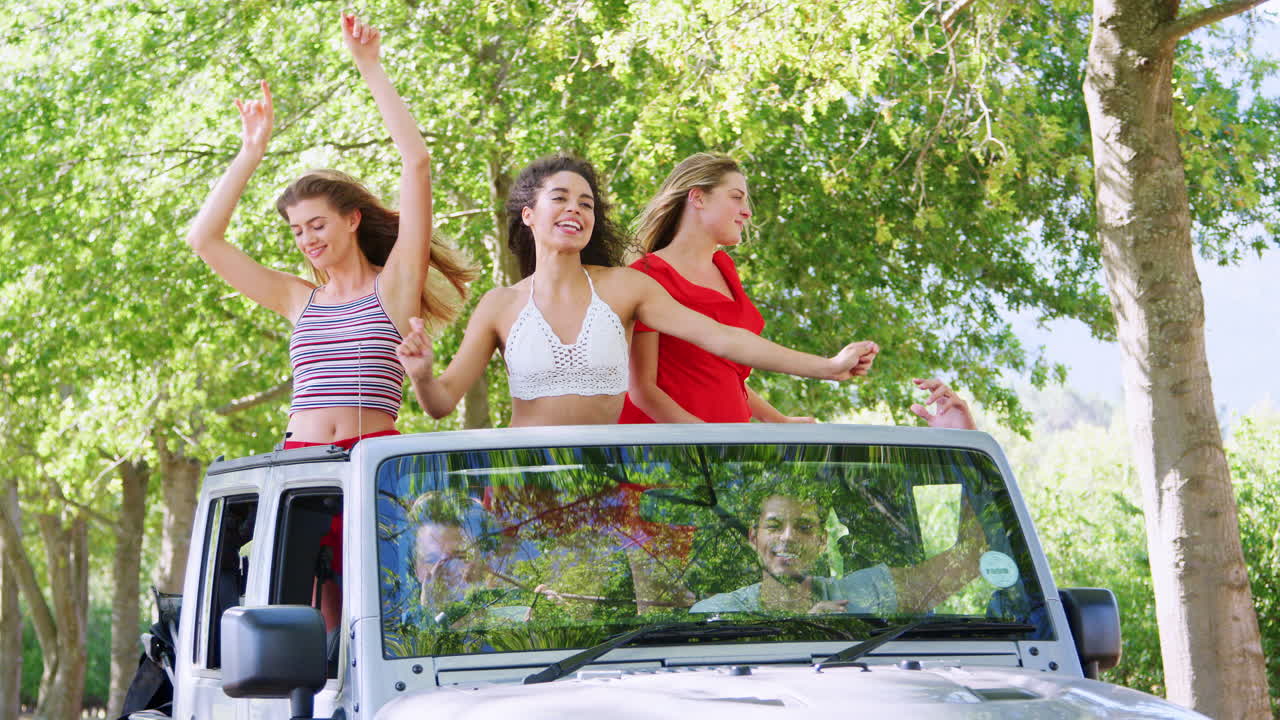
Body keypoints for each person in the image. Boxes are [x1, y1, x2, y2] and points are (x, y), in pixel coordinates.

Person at [394, 154, 878, 427]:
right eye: (560, 198)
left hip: (611, 484)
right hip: (526, 483)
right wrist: (421, 374)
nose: (575, 209)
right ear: (529, 215)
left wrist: (827, 366)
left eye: (586, 203)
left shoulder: (627, 288)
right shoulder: (499, 304)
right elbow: (440, 403)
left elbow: (723, 339)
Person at [185, 14, 474, 448]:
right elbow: (203, 240)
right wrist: (251, 152)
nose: (308, 240)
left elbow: (416, 161)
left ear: (353, 219)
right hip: (298, 461)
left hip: (369, 459)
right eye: (298, 231)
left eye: (318, 225)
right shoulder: (298, 299)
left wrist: (369, 65)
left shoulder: (394, 286)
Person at [691, 380, 984, 615]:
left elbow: (970, 557)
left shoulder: (861, 595)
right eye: (774, 525)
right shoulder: (717, 613)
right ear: (753, 537)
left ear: (822, 542)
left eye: (804, 527)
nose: (788, 537)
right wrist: (806, 631)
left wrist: (967, 444)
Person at [619, 153, 825, 423]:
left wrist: (778, 420)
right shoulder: (646, 276)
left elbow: (724, 374)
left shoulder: (725, 269)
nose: (747, 211)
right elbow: (643, 390)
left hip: (729, 440)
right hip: (668, 444)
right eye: (736, 197)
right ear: (698, 198)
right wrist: (704, 440)